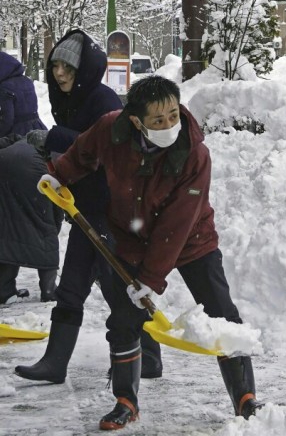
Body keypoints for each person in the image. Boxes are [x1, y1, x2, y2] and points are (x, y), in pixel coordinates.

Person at [39, 75, 261, 430]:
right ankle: (126, 400)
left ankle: (245, 397)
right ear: (135, 121)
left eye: (173, 114)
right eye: (158, 120)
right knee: (124, 319)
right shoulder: (111, 130)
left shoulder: (194, 153)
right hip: (132, 237)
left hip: (191, 240)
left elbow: (178, 223)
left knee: (222, 313)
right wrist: (59, 174)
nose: (169, 124)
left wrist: (150, 279)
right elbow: (83, 152)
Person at [15, 30, 164, 384]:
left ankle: (150, 356)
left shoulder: (104, 100)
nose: (60, 74)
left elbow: (106, 151)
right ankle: (55, 363)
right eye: (55, 67)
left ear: (83, 69)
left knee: (117, 287)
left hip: (111, 211)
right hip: (85, 208)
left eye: (67, 67)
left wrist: (54, 139)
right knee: (73, 287)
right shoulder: (71, 101)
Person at [0, 52, 59, 304]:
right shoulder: (25, 81)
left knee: (8, 223)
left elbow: (6, 120)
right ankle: (47, 289)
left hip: (13, 146)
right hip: (36, 136)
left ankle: (5, 288)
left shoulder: (4, 88)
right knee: (44, 223)